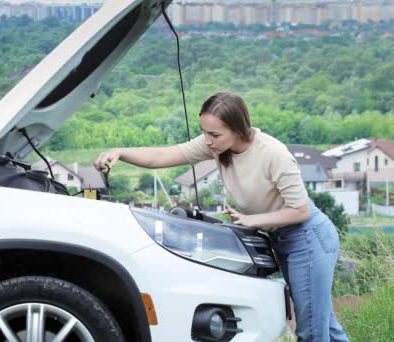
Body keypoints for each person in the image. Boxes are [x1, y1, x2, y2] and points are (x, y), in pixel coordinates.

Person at [94, 92, 348, 342]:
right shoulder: (216, 146)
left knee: (312, 331)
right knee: (324, 323)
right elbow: (164, 155)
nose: (208, 140)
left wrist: (252, 220)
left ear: (238, 129)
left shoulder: (273, 154)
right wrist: (121, 152)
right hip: (281, 237)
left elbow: (300, 210)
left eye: (214, 134)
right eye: (204, 132)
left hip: (307, 237)